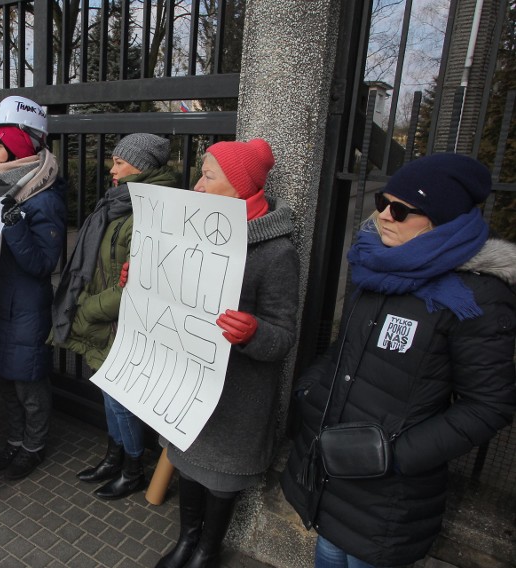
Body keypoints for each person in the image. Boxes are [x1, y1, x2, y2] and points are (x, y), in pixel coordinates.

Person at [281, 153, 516, 568]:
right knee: (329, 551)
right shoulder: (374, 265)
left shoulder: (476, 297)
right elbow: (343, 349)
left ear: (439, 218)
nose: (385, 216)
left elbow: (489, 405)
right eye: (382, 203)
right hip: (332, 468)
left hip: (388, 490)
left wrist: (398, 455)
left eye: (402, 209)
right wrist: (310, 392)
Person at [153, 139, 300, 568]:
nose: (196, 186)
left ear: (239, 188)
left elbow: (283, 336)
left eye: (208, 176)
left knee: (219, 478)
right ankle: (186, 540)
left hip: (237, 394)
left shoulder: (276, 253)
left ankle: (207, 550)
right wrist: (142, 276)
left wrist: (254, 332)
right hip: (192, 382)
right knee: (188, 464)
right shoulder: (191, 233)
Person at [50, 133, 180, 500]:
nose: (112, 168)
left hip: (124, 321)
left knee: (121, 399)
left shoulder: (151, 210)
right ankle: (114, 456)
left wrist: (88, 309)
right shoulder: (120, 202)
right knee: (109, 392)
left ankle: (133, 469)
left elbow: (141, 282)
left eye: (120, 162)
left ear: (141, 166)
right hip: (107, 319)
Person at [0, 96, 67, 480]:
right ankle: (13, 443)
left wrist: (14, 226)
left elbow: (43, 264)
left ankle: (33, 448)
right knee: (5, 382)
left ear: (17, 144)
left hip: (25, 309)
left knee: (28, 387)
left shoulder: (44, 198)